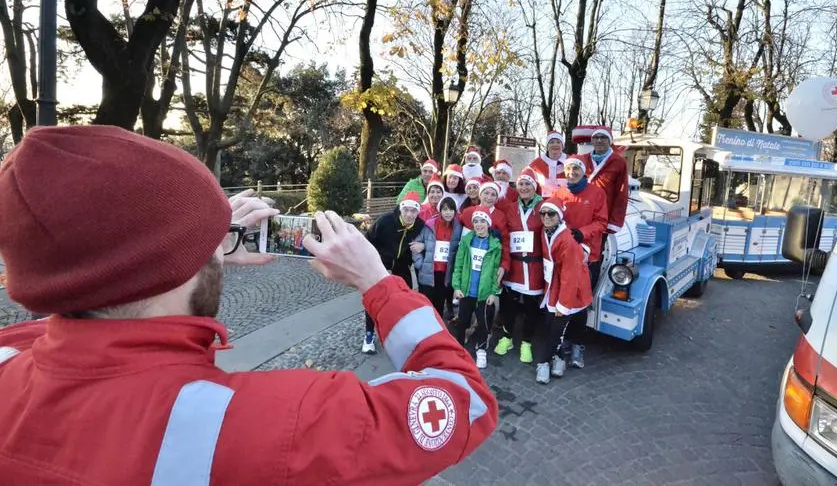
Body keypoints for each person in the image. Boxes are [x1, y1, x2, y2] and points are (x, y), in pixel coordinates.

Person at [0, 125, 497, 484]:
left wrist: (194, 248)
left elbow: (70, 309)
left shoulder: (11, 360)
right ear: (172, 261)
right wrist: (376, 280)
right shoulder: (279, 425)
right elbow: (467, 401)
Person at [551, 156, 608, 368]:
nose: (572, 172)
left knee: (581, 302)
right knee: (564, 299)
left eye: (576, 169)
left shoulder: (596, 193)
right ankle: (564, 340)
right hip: (564, 257)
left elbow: (602, 222)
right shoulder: (560, 193)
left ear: (583, 172)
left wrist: (581, 233)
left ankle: (578, 344)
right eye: (569, 169)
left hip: (588, 257)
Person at [535, 197, 593, 385]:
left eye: (551, 213)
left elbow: (571, 275)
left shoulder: (567, 241)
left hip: (570, 289)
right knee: (550, 325)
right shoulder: (545, 232)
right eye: (543, 213)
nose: (546, 217)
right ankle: (559, 359)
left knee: (555, 328)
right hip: (554, 285)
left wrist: (563, 303)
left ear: (559, 216)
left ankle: (543, 362)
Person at [362, 191, 425, 353]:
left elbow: (427, 242)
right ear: (401, 209)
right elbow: (366, 241)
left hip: (402, 266)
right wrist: (371, 262)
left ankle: (400, 334)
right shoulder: (385, 221)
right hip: (379, 264)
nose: (410, 214)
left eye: (414, 211)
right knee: (374, 299)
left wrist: (423, 247)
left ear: (418, 212)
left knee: (404, 299)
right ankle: (369, 334)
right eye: (407, 210)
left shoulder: (420, 226)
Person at [493, 168, 545, 364]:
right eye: (521, 184)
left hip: (533, 268)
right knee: (508, 306)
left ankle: (526, 342)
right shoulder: (510, 208)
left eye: (528, 184)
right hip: (513, 266)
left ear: (534, 186)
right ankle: (507, 337)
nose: (524, 187)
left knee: (531, 308)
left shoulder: (544, 207)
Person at [451, 206, 502, 370]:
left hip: (484, 293)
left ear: (488, 223)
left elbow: (495, 271)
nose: (479, 225)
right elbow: (458, 265)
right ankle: (458, 349)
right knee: (463, 321)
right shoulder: (466, 241)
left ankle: (481, 351)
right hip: (466, 291)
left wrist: (494, 292)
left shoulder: (495, 245)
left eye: (482, 221)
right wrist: (456, 286)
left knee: (483, 323)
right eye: (476, 221)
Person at [412, 196, 464, 320]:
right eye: (445, 209)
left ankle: (436, 333)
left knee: (439, 306)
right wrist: (421, 264)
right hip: (429, 271)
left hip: (445, 273)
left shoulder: (458, 228)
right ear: (440, 210)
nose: (448, 212)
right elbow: (415, 245)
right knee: (425, 305)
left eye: (451, 209)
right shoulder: (429, 225)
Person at [580, 126, 629, 236]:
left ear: (610, 141)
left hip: (603, 216)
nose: (599, 140)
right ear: (592, 140)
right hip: (581, 213)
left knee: (596, 251)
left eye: (603, 137)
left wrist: (614, 222)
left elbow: (621, 194)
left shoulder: (619, 162)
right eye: (596, 137)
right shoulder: (582, 159)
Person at [527, 130, 568, 197]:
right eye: (551, 142)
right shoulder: (536, 164)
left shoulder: (570, 161)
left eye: (558, 142)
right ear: (547, 146)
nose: (555, 145)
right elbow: (525, 179)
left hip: (567, 202)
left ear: (562, 146)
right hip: (543, 203)